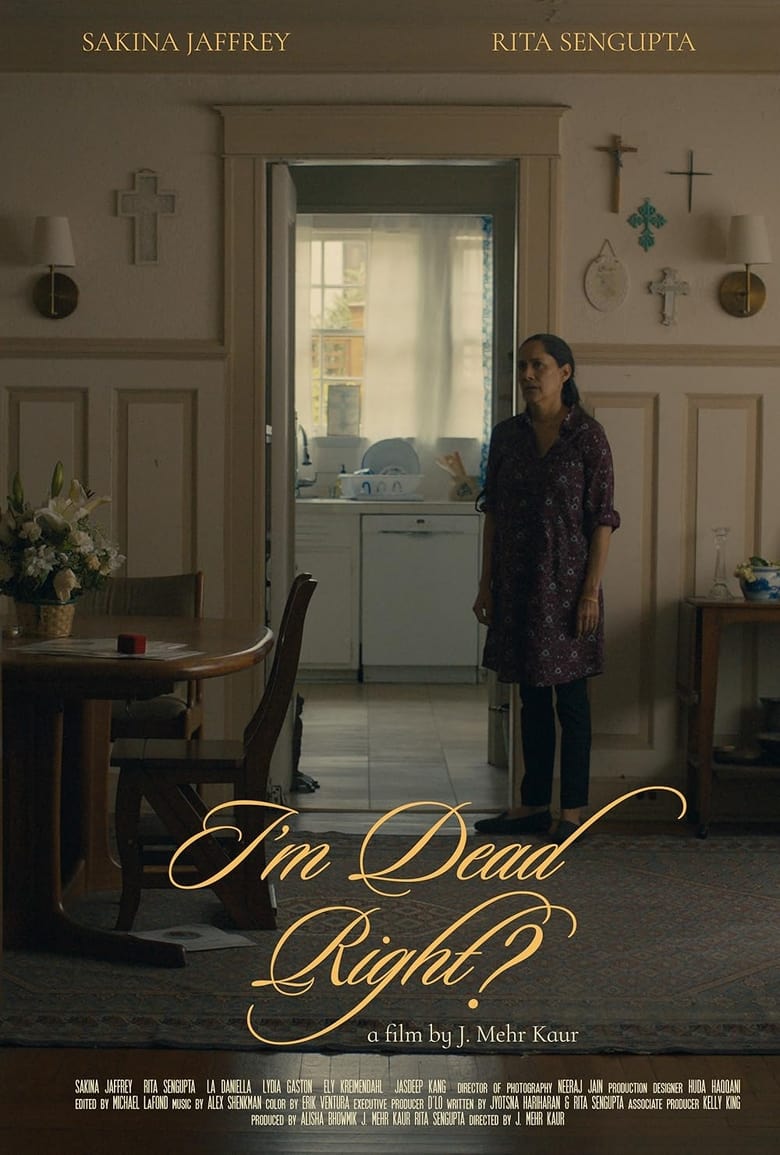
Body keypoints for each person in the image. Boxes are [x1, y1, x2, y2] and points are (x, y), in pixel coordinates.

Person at [472, 333, 620, 844]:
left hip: (570, 588)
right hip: (517, 584)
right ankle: (533, 804)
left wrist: (590, 592)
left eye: (538, 365)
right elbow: (493, 514)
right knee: (530, 699)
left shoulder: (587, 437)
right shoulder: (507, 436)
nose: (528, 375)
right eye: (522, 366)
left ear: (565, 372)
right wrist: (485, 585)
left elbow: (602, 521)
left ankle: (572, 811)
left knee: (571, 703)